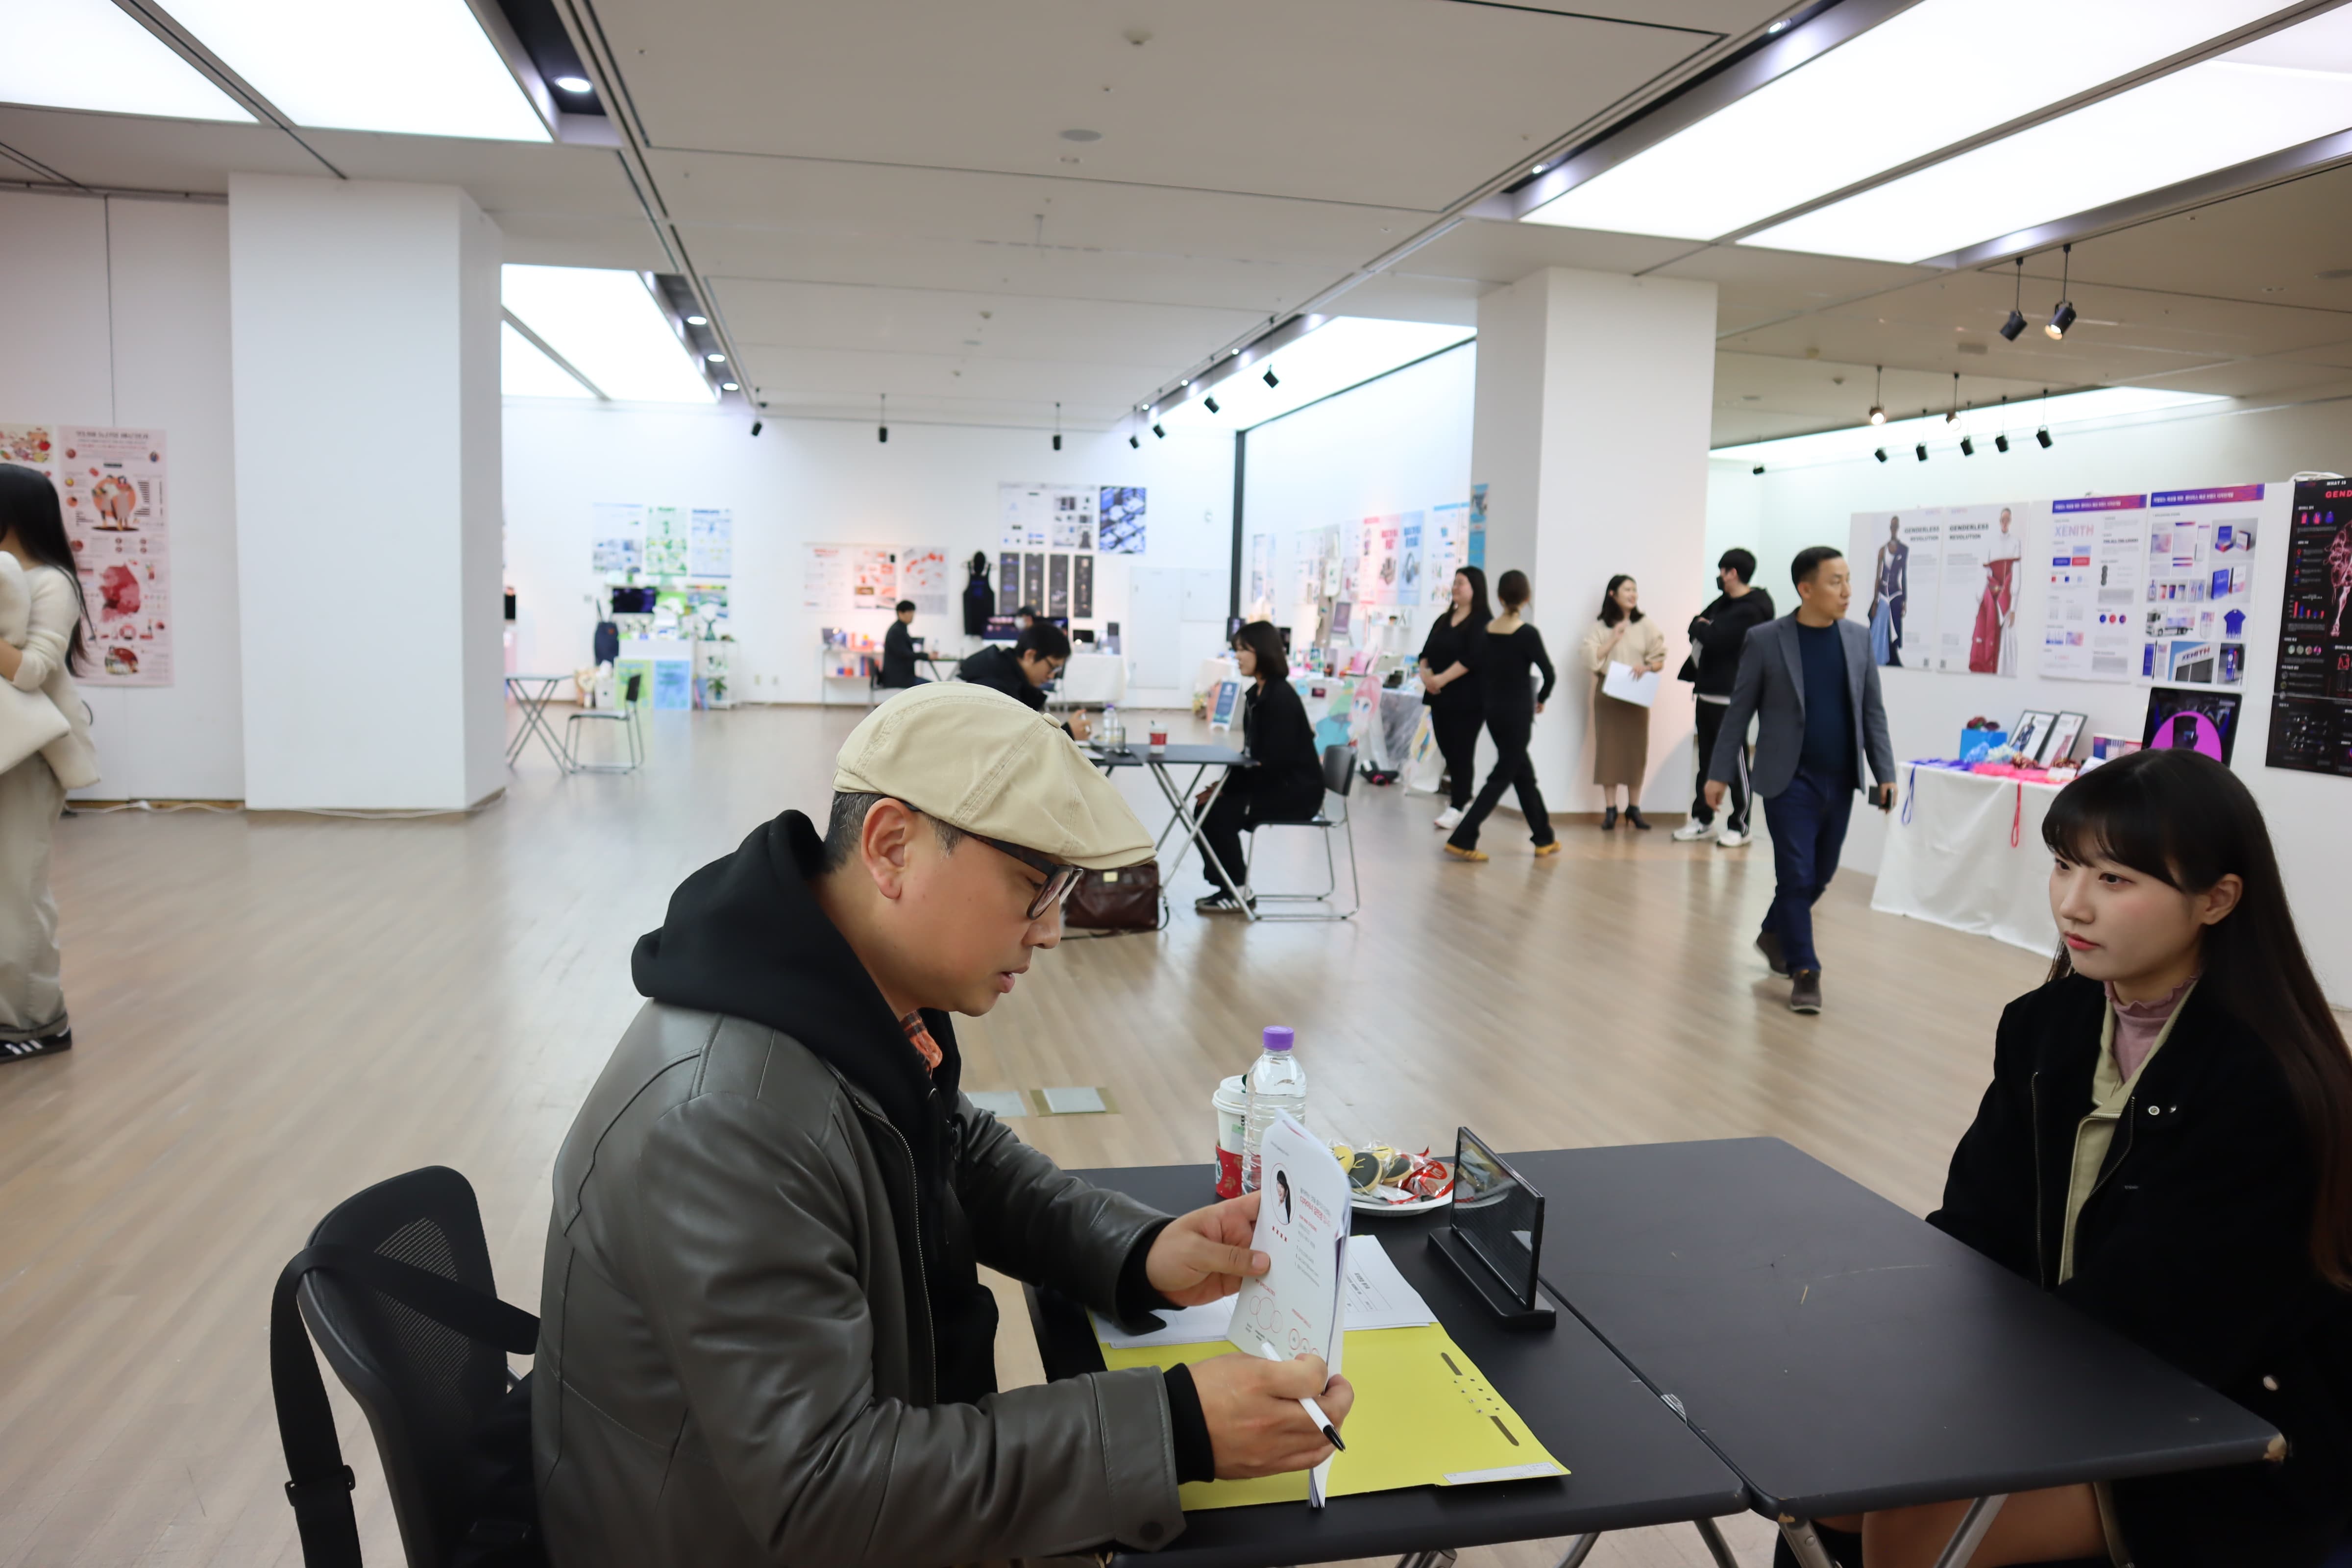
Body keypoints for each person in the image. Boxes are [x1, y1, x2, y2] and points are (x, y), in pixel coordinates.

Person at [534, 683, 1355, 1568]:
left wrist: (1141, 1253)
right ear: (893, 847)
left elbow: (963, 1157)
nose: (1052, 931)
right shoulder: (725, 1123)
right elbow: (826, 1495)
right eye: (1035, 888)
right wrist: (1177, 1429)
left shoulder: (839, 1000)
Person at [1790, 750, 2352, 1568]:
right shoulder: (2044, 1025)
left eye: (2115, 879)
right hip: (2066, 1368)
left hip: (2232, 1419)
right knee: (1823, 1473)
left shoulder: (2265, 1085)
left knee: (1908, 1528)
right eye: (2063, 866)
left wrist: (1962, 1402)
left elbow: (2170, 1323)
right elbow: (1975, 1228)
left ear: (2218, 899)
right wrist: (1894, 1346)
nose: (2072, 903)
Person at [1705, 546, 1893, 1014]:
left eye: (1848, 580)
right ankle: (1806, 970)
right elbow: (1739, 712)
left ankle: (1773, 933)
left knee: (1820, 874)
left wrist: (1885, 773)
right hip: (1788, 780)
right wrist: (1718, 774)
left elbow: (1872, 712)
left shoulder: (1857, 638)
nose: (1847, 591)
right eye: (1836, 582)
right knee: (1796, 874)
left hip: (1840, 779)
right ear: (1806, 589)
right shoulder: (1766, 639)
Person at [0, 465, 99, 1065]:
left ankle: (40, 1021)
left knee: (18, 894)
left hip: (29, 760)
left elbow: (34, 670)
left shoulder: (52, 582)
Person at [1193, 619, 1322, 913]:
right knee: (1207, 809)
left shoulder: (1279, 699)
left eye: (1243, 650)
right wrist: (1223, 786)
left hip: (1296, 794)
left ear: (1262, 652)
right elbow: (1253, 755)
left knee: (1216, 813)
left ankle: (1238, 890)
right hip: (1275, 785)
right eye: (1236, 650)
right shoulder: (1257, 695)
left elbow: (1273, 763)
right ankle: (1230, 885)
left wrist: (1227, 791)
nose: (1237, 656)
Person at [1444, 569, 1557, 862]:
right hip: (1518, 714)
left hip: (1493, 713)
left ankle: (1544, 837)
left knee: (1523, 774)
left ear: (1500, 597)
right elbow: (1549, 674)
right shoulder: (1528, 634)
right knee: (1502, 776)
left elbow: (1482, 671)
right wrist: (1542, 699)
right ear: (1527, 598)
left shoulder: (1487, 632)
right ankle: (1463, 837)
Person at [1674, 549, 1773, 847]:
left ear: (1732, 573)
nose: (1719, 577)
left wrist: (1706, 628)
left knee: (1736, 761)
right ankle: (1703, 819)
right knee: (1705, 759)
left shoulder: (1754, 608)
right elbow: (1696, 625)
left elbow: (1716, 638)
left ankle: (1740, 825)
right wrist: (1704, 627)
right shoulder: (1723, 603)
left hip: (1733, 696)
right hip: (1706, 691)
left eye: (1722, 571)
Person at [1581, 574, 1666, 831]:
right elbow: (1590, 659)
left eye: (1635, 590)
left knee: (1635, 751)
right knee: (1608, 750)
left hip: (1636, 696)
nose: (1633, 594)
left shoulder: (1646, 625)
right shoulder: (1600, 627)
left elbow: (1659, 659)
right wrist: (1614, 638)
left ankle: (1634, 808)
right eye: (1627, 590)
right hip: (1608, 695)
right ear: (1613, 594)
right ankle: (1611, 810)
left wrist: (1647, 667)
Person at [1416, 565, 1490, 832]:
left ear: (1476, 588)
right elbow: (1425, 653)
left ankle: (1458, 804)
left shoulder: (1483, 621)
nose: (1455, 588)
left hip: (1468, 699)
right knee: (1448, 749)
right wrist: (1427, 676)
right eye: (1455, 583)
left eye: (1461, 583)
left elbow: (1473, 658)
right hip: (1439, 697)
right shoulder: (1443, 620)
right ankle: (1463, 799)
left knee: (1462, 751)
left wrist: (1442, 679)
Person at [959, 621, 1091, 739]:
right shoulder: (997, 689)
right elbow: (1015, 747)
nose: (1051, 676)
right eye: (1052, 667)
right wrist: (1067, 733)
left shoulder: (1006, 677)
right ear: (1030, 655)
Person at [1969, 507, 2020, 675]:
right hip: (1990, 595)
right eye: (2002, 520)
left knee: (2004, 642)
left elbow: (2016, 574)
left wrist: (2013, 608)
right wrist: (1982, 597)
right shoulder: (1991, 542)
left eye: (2007, 520)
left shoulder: (2015, 542)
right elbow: (1985, 570)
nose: (2005, 523)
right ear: (2000, 521)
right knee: (1984, 634)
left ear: (2010, 521)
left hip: (2005, 598)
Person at [1865, 516, 1908, 667]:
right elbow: (1878, 576)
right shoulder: (1883, 550)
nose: (1894, 529)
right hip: (1883, 595)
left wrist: (1905, 600)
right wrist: (1875, 601)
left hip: (1896, 594)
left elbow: (1904, 575)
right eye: (1892, 526)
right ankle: (1877, 660)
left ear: (1898, 528)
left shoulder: (1904, 549)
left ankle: (1892, 660)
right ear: (1890, 528)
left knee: (1895, 630)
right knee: (1877, 625)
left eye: (1896, 526)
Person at [878, 599, 925, 689]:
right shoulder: (897, 632)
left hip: (902, 677)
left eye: (913, 612)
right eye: (909, 612)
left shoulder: (900, 629)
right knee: (932, 687)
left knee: (931, 686)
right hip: (899, 679)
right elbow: (906, 654)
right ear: (900, 613)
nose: (912, 615)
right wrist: (925, 656)